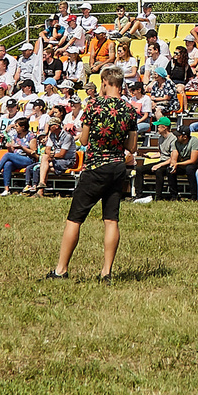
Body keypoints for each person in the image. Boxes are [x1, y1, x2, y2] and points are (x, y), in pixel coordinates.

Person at [47, 66, 137, 281]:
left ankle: (61, 270)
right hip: (117, 167)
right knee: (111, 219)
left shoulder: (94, 106)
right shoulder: (129, 109)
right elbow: (132, 146)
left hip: (95, 166)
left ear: (105, 82)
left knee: (75, 219)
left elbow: (85, 140)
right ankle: (106, 272)